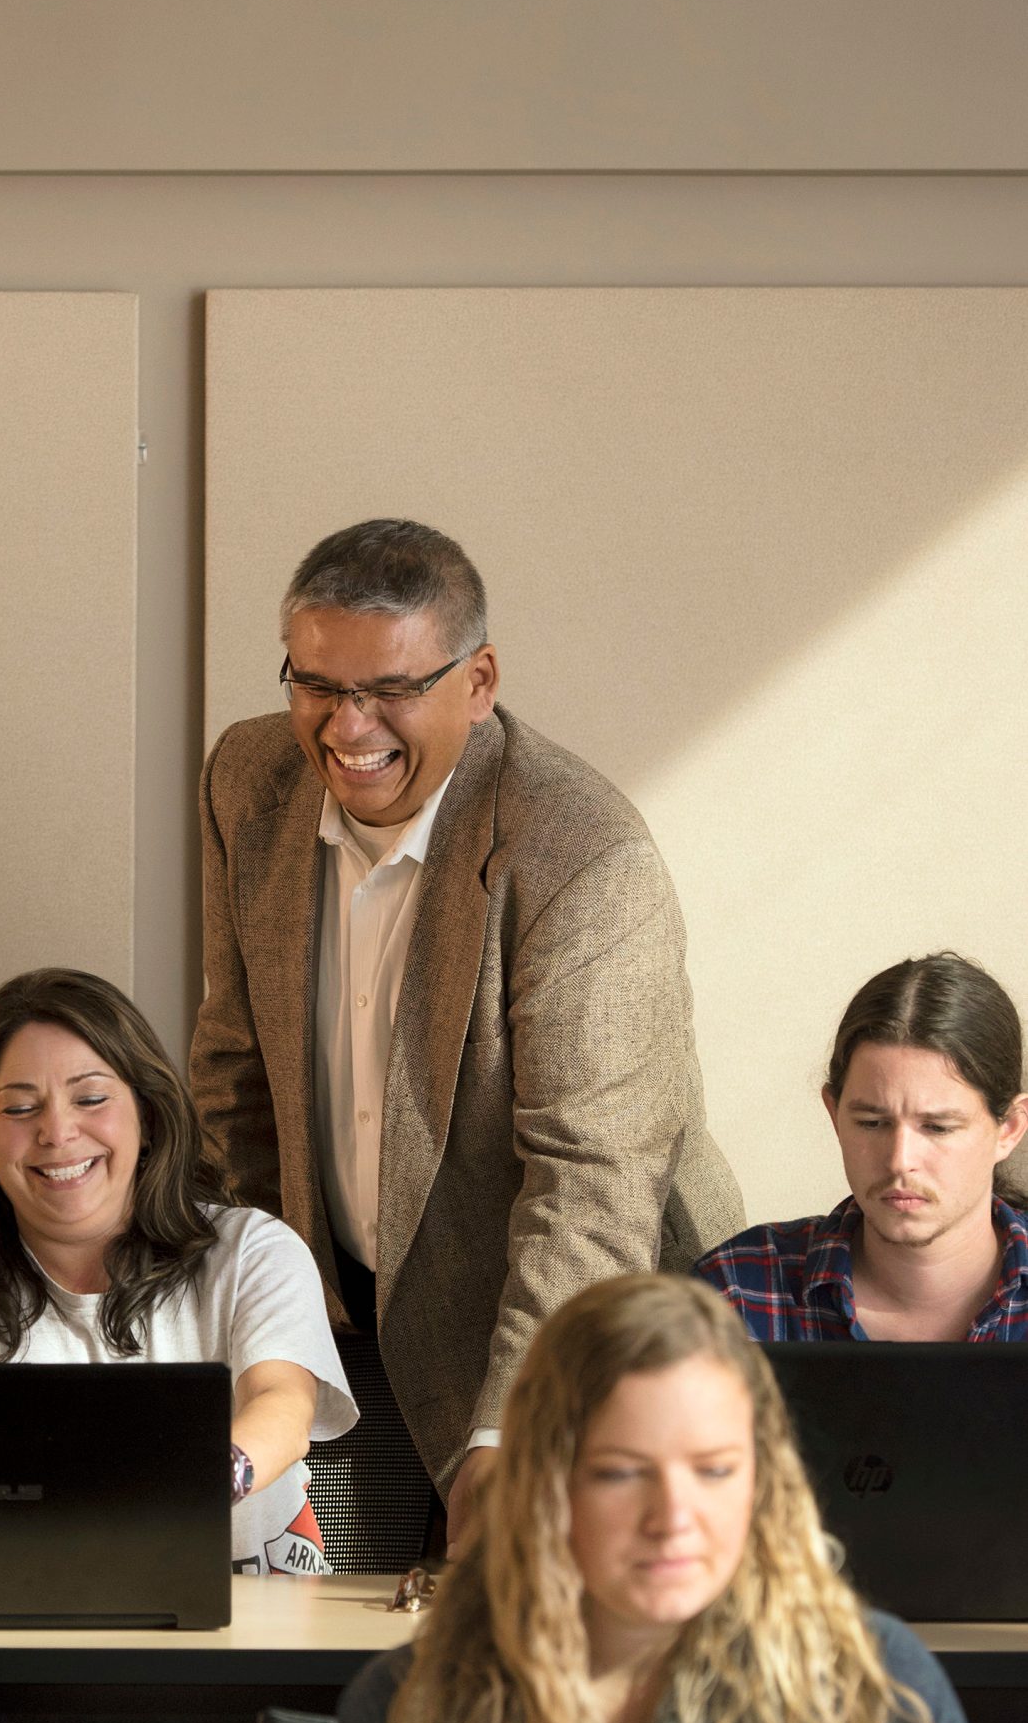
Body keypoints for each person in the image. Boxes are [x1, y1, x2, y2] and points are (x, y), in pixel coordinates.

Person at [189, 517, 742, 1552]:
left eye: (390, 689)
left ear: (477, 681)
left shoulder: (580, 855)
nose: (347, 727)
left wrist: (508, 1433)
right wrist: (268, 1312)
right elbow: (233, 1075)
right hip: (348, 1321)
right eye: (315, 683)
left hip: (574, 1330)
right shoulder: (245, 780)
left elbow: (589, 1187)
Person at [317, 1273, 990, 1723]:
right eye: (620, 1473)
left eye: (713, 1470)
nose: (673, 1517)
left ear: (761, 1480)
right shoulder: (407, 1705)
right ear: (547, 1485)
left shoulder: (874, 1679)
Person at [0, 966, 357, 1574]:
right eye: (21, 1108)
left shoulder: (255, 1251)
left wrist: (195, 1483)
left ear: (148, 1116)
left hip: (270, 1641)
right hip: (44, 1641)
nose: (57, 1132)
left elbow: (283, 1408)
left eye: (92, 1098)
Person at [695, 951, 1028, 1343]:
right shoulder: (736, 1294)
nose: (900, 1160)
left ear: (1009, 1128)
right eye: (872, 1123)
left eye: (937, 1127)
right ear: (835, 1116)